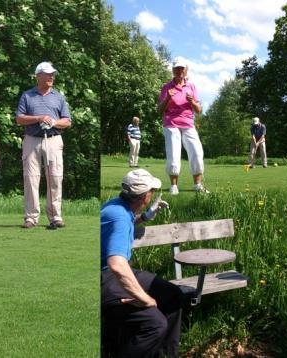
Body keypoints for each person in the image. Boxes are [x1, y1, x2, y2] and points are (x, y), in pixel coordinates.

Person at [101, 169, 184, 357]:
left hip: (117, 272)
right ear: (145, 196)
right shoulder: (119, 216)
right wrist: (144, 299)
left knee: (173, 295)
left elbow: (127, 224)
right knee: (155, 324)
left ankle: (166, 354)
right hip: (106, 278)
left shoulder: (118, 206)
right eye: (152, 191)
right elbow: (116, 265)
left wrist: (146, 216)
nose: (152, 195)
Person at [16, 62, 71, 229]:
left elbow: (67, 121)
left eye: (52, 74)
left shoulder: (58, 96)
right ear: (38, 75)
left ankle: (55, 216)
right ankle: (31, 217)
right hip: (32, 139)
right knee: (31, 178)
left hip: (53, 140)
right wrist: (39, 118)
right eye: (48, 74)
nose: (51, 77)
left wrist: (53, 122)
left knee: (55, 178)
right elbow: (19, 119)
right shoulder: (27, 95)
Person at [158, 57, 208, 195]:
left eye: (182, 68)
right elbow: (160, 110)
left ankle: (197, 184)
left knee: (197, 152)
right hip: (171, 123)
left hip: (188, 123)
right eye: (176, 68)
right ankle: (174, 186)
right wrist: (168, 97)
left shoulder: (191, 87)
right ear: (173, 70)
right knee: (173, 154)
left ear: (186, 71)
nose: (179, 71)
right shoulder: (166, 87)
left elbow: (198, 110)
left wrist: (192, 101)